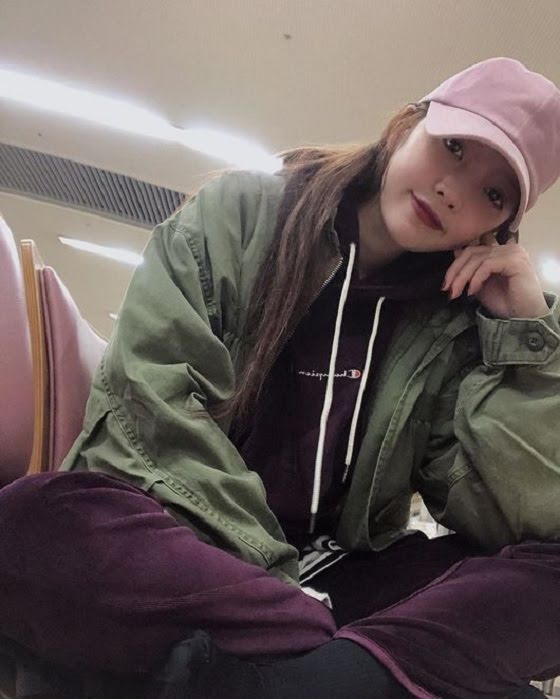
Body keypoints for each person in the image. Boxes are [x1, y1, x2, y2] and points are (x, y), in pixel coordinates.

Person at [0, 56, 559, 699]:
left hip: (330, 577)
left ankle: (288, 677)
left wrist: (527, 338)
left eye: (493, 194)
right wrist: (288, 591)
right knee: (33, 519)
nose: (454, 191)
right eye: (454, 147)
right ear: (407, 125)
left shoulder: (449, 323)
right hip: (192, 548)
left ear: (499, 229)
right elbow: (152, 414)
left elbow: (523, 517)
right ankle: (346, 674)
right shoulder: (241, 214)